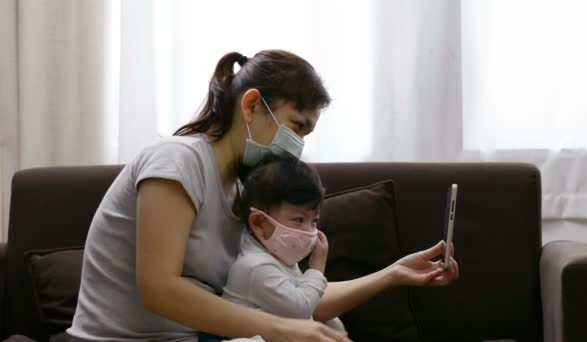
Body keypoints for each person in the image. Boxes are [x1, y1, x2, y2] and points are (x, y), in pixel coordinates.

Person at [67, 49, 459, 342]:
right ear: (252, 105)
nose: (297, 145)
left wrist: (393, 275)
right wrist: (282, 330)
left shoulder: (246, 191)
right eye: (295, 126)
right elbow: (159, 289)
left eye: (305, 135)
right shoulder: (176, 161)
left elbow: (292, 300)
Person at [220, 156, 346, 342]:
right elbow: (301, 309)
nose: (310, 232)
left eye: (314, 221)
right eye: (299, 220)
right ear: (260, 222)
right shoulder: (255, 266)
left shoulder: (277, 255)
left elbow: (307, 306)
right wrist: (317, 269)